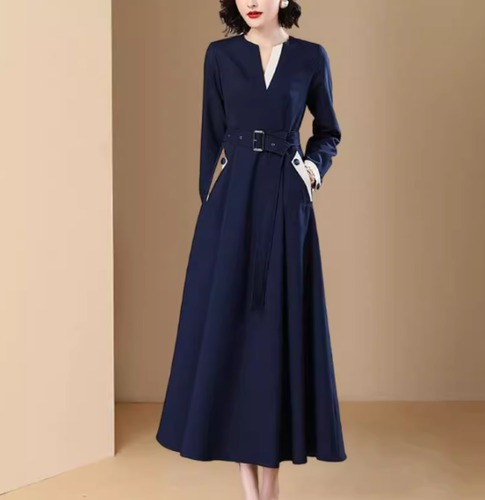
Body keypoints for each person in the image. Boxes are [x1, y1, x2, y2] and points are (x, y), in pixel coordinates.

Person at [156, 0, 347, 498]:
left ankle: (271, 484)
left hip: (286, 203)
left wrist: (311, 173)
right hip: (232, 207)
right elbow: (210, 135)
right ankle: (250, 490)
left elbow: (328, 131)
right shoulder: (219, 56)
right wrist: (211, 204)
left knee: (274, 334)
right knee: (234, 334)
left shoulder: (311, 57)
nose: (252, 2)